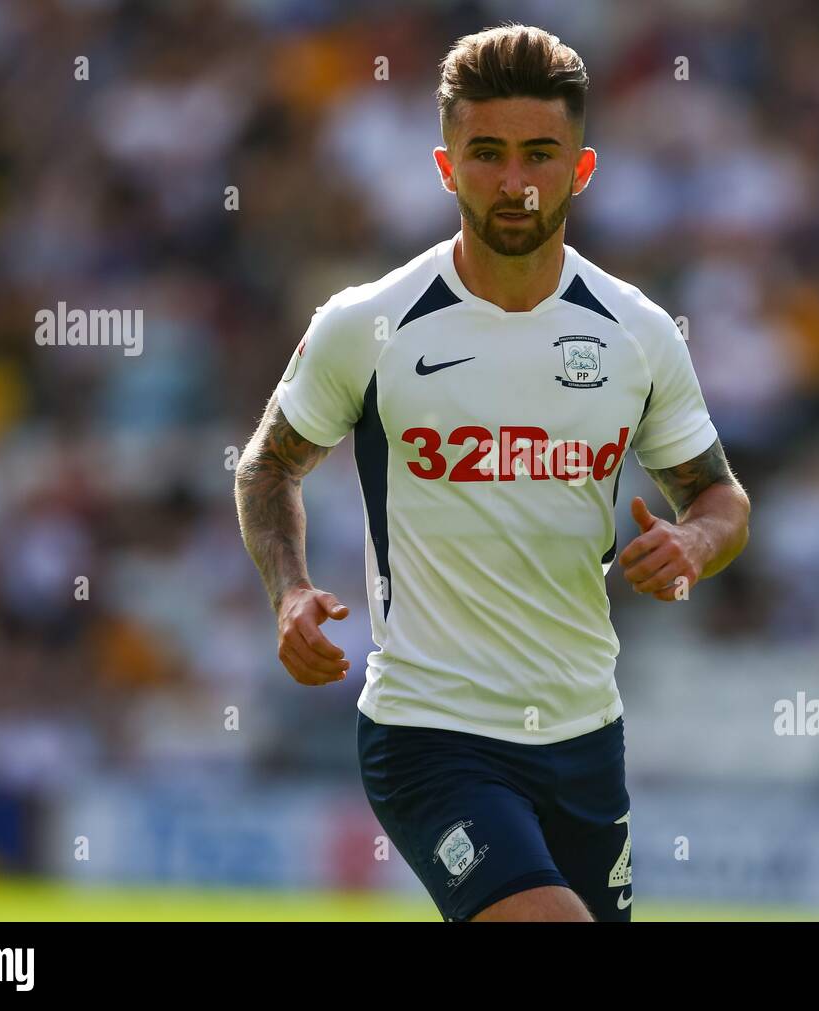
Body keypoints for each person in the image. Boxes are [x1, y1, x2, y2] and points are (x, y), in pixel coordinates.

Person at [235, 23, 750, 922]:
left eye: (540, 154)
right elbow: (268, 465)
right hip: (430, 733)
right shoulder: (370, 323)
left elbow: (718, 493)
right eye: (488, 154)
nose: (515, 182)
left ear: (581, 169)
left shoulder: (636, 332)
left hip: (585, 732)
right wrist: (289, 591)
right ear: (447, 167)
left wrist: (696, 543)